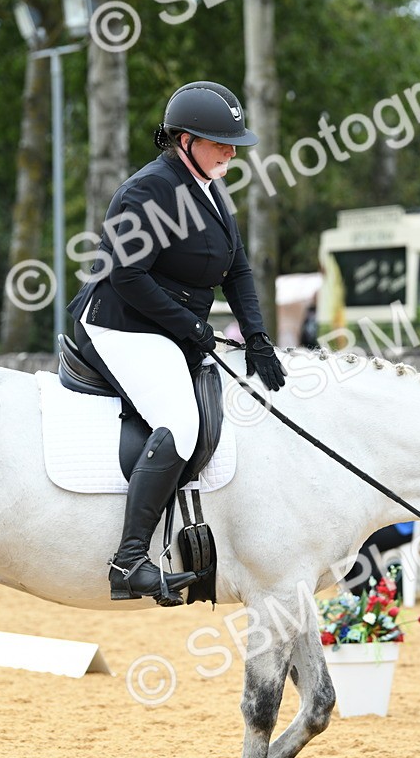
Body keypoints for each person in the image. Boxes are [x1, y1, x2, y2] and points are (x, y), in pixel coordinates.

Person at [67, 81, 287, 606]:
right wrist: (193, 329)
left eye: (234, 143)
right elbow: (127, 277)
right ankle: (131, 559)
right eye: (220, 142)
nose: (231, 152)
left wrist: (256, 337)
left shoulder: (210, 188)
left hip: (166, 324)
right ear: (185, 140)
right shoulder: (148, 190)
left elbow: (236, 269)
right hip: (122, 324)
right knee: (181, 423)